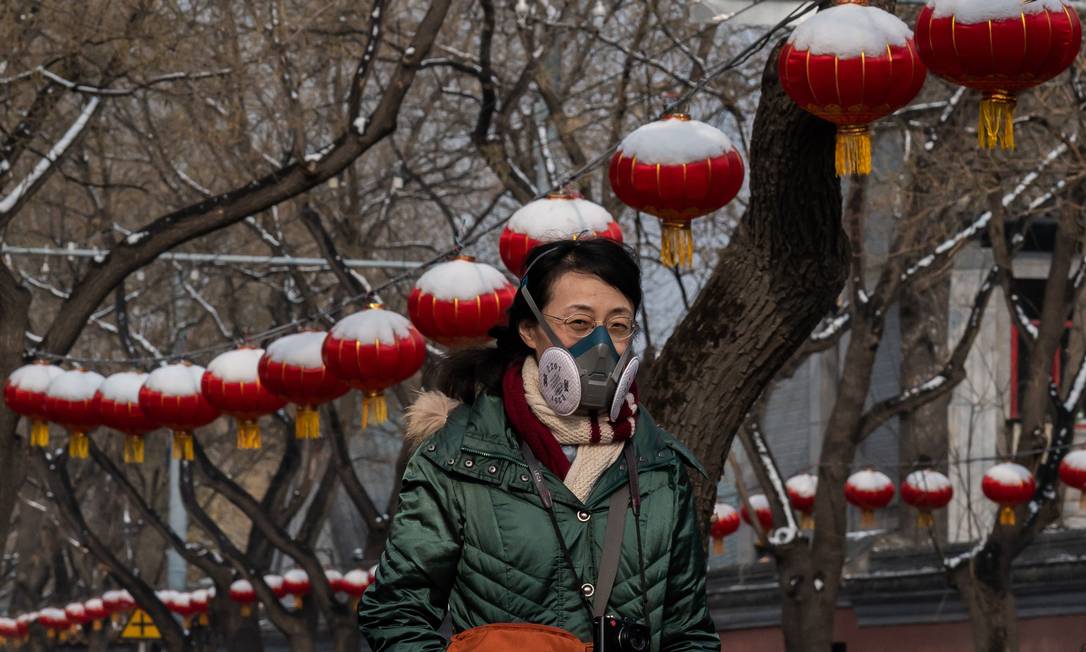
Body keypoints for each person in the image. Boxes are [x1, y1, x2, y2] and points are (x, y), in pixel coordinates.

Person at [358, 238, 720, 651]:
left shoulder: (660, 467)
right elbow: (394, 612)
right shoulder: (454, 458)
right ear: (530, 329)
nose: (601, 347)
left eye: (618, 326)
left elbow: (689, 634)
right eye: (579, 324)